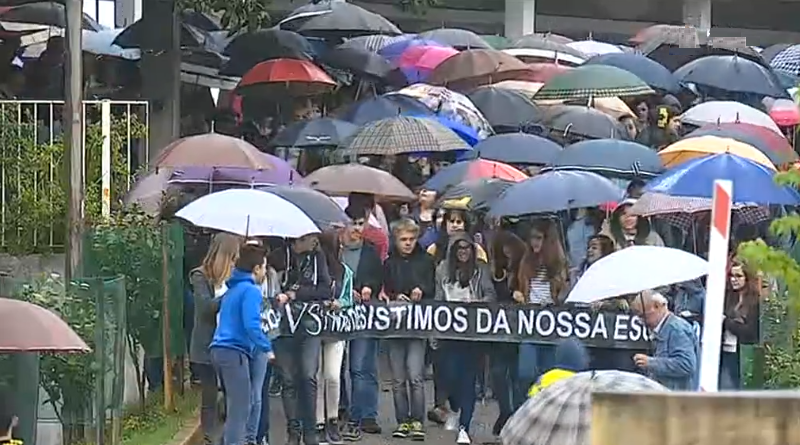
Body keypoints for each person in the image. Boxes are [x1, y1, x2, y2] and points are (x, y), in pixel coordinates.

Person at [434, 233, 497, 445]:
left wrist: (478, 302)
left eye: (467, 247)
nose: (463, 252)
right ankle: (454, 408)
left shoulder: (480, 269)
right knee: (450, 377)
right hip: (449, 333)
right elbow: (438, 299)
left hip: (473, 335)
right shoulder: (442, 269)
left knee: (468, 381)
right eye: (459, 248)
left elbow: (491, 295)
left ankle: (464, 427)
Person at [209, 243, 275, 445]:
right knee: (240, 410)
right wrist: (266, 347)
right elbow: (252, 324)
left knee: (235, 406)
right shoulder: (251, 291)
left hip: (219, 350)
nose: (265, 272)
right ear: (256, 269)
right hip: (234, 352)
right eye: (264, 267)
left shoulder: (233, 289)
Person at [273, 233, 330, 445]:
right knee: (288, 379)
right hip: (284, 326)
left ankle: (310, 431)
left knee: (308, 376)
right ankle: (293, 431)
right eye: (308, 237)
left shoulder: (318, 258)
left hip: (309, 325)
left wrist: (297, 294)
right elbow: (270, 286)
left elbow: (325, 289)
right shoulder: (279, 256)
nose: (314, 240)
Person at [382, 219, 435, 441]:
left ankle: (417, 421)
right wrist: (395, 296)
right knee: (397, 379)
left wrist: (421, 290)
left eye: (412, 239)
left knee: (415, 376)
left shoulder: (426, 261)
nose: (408, 243)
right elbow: (385, 289)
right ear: (396, 240)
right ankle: (402, 420)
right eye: (403, 239)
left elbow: (432, 287)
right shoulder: (389, 263)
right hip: (396, 325)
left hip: (417, 325)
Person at [188, 232, 241, 445]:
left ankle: (229, 436)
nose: (236, 261)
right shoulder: (200, 276)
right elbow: (205, 308)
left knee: (232, 393)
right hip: (206, 344)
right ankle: (209, 437)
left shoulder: (236, 276)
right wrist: (231, 294)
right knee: (209, 395)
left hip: (230, 343)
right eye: (233, 256)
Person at [339, 205, 384, 441]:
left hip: (364, 315)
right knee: (338, 367)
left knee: (361, 366)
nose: (357, 228)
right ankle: (343, 409)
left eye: (360, 223)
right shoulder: (335, 250)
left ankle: (364, 415)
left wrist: (369, 287)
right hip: (339, 315)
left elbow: (378, 277)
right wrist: (345, 292)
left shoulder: (371, 250)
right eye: (353, 223)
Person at [516, 221, 569, 402]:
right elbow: (520, 288)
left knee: (549, 373)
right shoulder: (526, 261)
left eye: (539, 238)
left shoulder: (559, 264)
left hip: (552, 325)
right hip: (530, 323)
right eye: (532, 238)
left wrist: (561, 289)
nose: (534, 242)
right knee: (526, 371)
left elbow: (565, 296)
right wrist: (518, 294)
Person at [315, 231, 355, 445]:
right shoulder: (313, 270)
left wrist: (341, 303)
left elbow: (349, 298)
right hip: (315, 327)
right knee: (317, 376)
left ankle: (332, 419)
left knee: (332, 375)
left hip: (336, 328)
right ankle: (319, 422)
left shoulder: (345, 272)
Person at [487, 230, 527, 437]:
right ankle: (505, 411)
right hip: (498, 330)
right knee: (498, 373)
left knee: (517, 374)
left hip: (520, 328)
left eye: (510, 249)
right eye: (503, 249)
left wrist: (521, 295)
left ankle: (518, 415)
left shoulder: (524, 268)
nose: (507, 253)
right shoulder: (494, 271)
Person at [631, 290, 699, 390]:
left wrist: (651, 363)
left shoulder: (677, 329)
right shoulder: (666, 328)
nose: (641, 321)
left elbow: (686, 365)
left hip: (677, 396)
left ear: (657, 306)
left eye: (643, 316)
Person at [720, 259, 760, 390]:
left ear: (747, 278)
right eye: (731, 276)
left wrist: (727, 322)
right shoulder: (728, 297)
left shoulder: (754, 302)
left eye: (738, 276)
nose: (734, 279)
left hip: (744, 354)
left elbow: (751, 332)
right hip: (726, 350)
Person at [600, 198, 664, 250]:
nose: (628, 218)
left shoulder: (653, 238)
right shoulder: (607, 237)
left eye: (632, 215)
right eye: (623, 214)